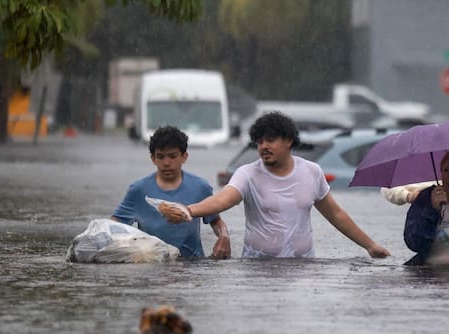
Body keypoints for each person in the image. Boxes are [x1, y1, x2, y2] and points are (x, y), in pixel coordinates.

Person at [160, 111, 390, 259]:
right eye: (259, 142)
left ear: (288, 140)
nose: (263, 147)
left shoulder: (311, 171)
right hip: (257, 271)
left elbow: (336, 214)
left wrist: (370, 246)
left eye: (270, 140)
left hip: (303, 272)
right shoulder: (247, 174)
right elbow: (223, 200)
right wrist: (188, 210)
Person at [112, 125, 231, 259]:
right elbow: (114, 227)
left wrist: (224, 236)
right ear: (153, 158)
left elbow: (216, 222)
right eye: (160, 157)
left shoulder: (200, 188)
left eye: (173, 156)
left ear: (184, 157)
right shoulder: (138, 190)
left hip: (192, 268)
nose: (167, 163)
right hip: (152, 267)